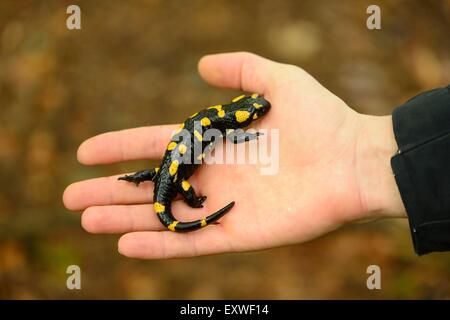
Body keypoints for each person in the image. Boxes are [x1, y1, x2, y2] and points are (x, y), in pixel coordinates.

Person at [62, 52, 450, 259]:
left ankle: (154, 186)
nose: (259, 111)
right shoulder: (228, 124)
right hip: (174, 172)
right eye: (253, 112)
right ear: (240, 114)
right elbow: (228, 137)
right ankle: (181, 205)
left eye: (254, 110)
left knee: (163, 173)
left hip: (171, 163)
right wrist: (192, 200)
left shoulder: (223, 118)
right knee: (175, 181)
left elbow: (222, 133)